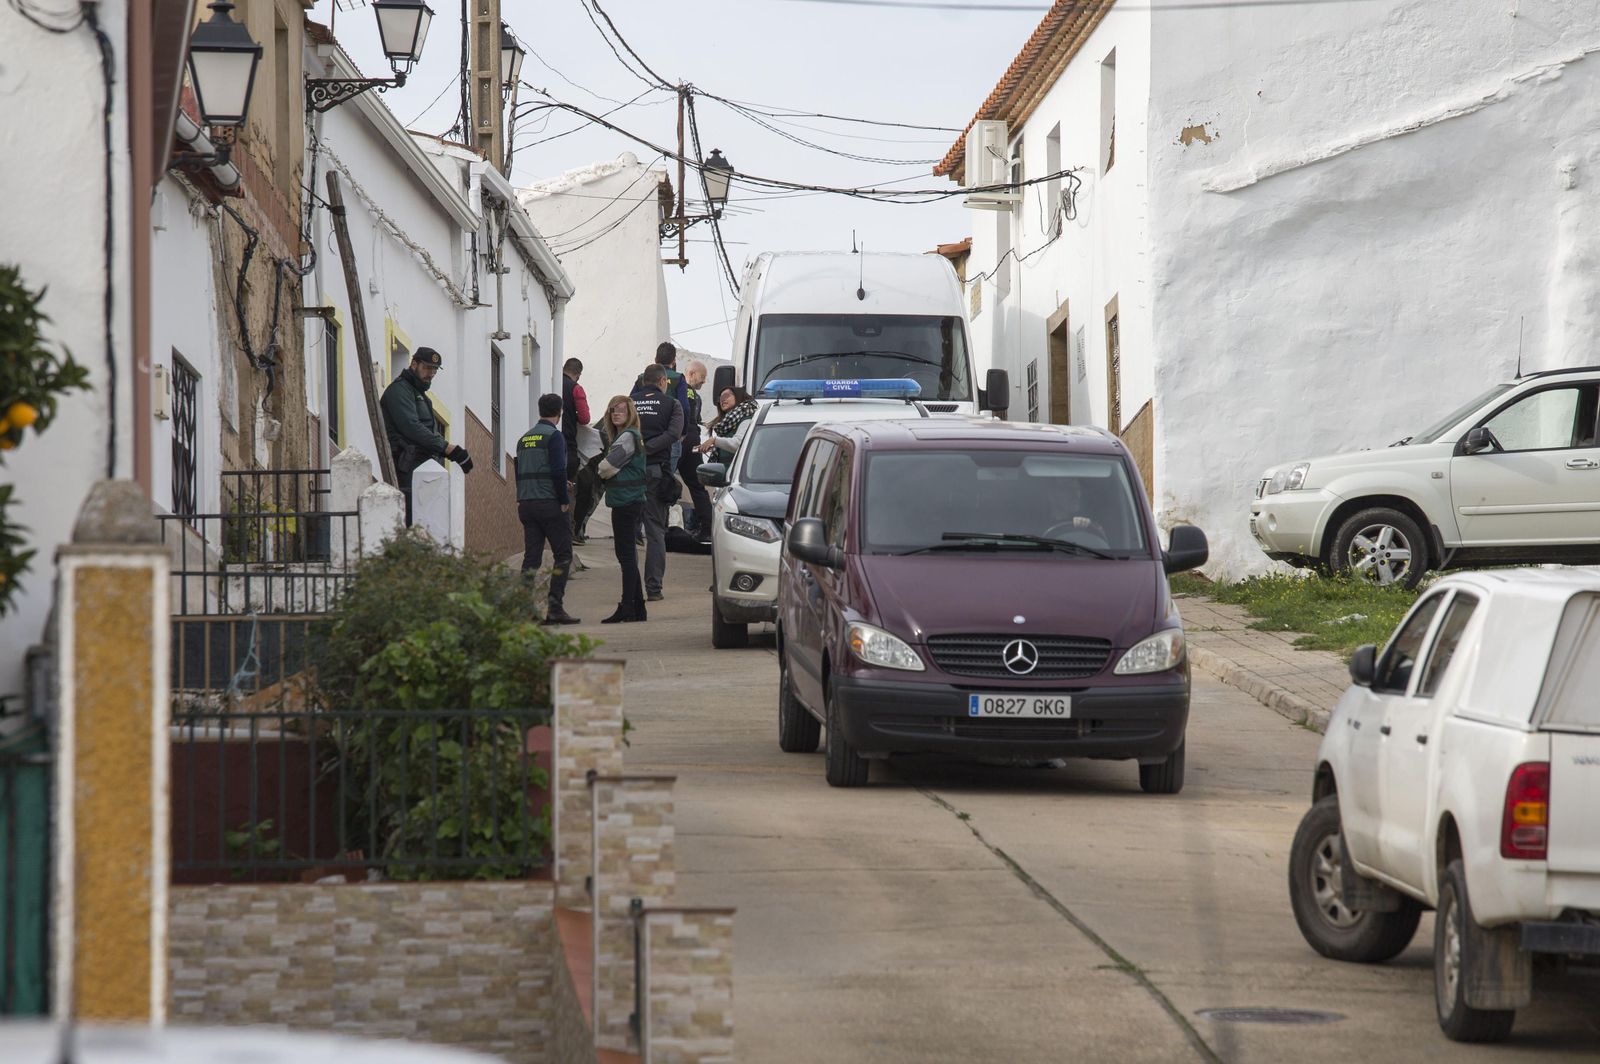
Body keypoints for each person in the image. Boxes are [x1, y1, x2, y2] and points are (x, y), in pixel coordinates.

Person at [380, 347, 472, 524]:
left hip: (422, 468)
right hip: (406, 467)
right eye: (427, 368)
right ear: (414, 364)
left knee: (429, 523)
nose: (431, 373)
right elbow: (411, 427)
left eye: (435, 369)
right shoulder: (399, 390)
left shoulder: (421, 396)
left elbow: (429, 431)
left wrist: (451, 453)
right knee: (412, 522)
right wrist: (447, 448)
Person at [516, 393, 580, 626]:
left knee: (531, 557)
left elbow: (521, 470)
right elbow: (557, 469)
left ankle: (523, 607)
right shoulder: (554, 436)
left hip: (527, 504)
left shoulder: (524, 438)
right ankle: (555, 609)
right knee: (563, 555)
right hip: (550, 504)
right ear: (560, 412)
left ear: (540, 410)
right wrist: (564, 497)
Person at [629, 364, 683, 602]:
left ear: (642, 381)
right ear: (663, 381)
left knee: (627, 531)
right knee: (655, 532)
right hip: (656, 471)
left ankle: (630, 590)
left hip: (628, 472)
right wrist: (648, 448)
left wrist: (636, 449)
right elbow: (674, 435)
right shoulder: (672, 404)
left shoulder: (628, 403)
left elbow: (607, 430)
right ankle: (653, 589)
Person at [596, 395, 649, 623]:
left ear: (630, 413)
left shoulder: (627, 437)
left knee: (625, 555)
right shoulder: (630, 436)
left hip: (626, 502)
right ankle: (638, 608)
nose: (615, 413)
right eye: (612, 410)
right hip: (630, 501)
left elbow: (605, 467)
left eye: (620, 410)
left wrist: (604, 470)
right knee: (628, 555)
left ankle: (627, 607)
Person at [676, 359, 714, 542]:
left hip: (678, 438)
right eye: (702, 377)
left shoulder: (680, 389)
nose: (704, 381)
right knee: (698, 487)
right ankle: (707, 529)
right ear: (691, 374)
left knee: (660, 481)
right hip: (691, 439)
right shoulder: (691, 393)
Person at [653, 341, 691, 467]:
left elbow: (630, 403)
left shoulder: (643, 378)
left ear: (655, 359)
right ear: (674, 361)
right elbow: (684, 407)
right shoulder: (678, 378)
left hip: (646, 436)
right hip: (670, 436)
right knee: (667, 479)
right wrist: (683, 431)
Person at [697, 385, 758, 459]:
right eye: (720, 398)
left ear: (737, 396)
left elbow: (738, 444)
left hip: (735, 469)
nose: (722, 400)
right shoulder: (723, 424)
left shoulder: (746, 419)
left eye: (726, 396)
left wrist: (714, 440)